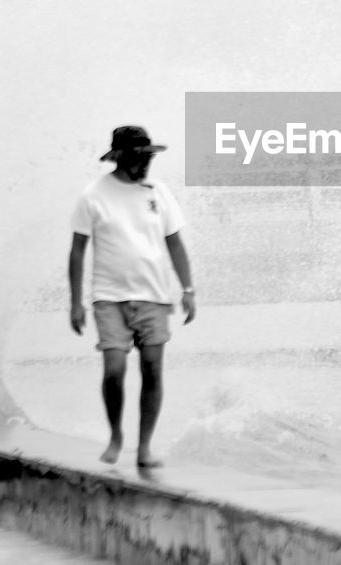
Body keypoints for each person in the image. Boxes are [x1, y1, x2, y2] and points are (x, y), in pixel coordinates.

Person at [68, 125, 196, 468]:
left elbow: (175, 243)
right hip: (109, 297)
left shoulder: (159, 192)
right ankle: (115, 436)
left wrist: (187, 290)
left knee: (153, 369)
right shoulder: (93, 195)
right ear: (120, 158)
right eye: (139, 156)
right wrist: (75, 303)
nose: (146, 163)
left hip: (154, 297)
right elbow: (78, 251)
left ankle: (144, 448)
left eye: (149, 156)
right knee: (114, 369)